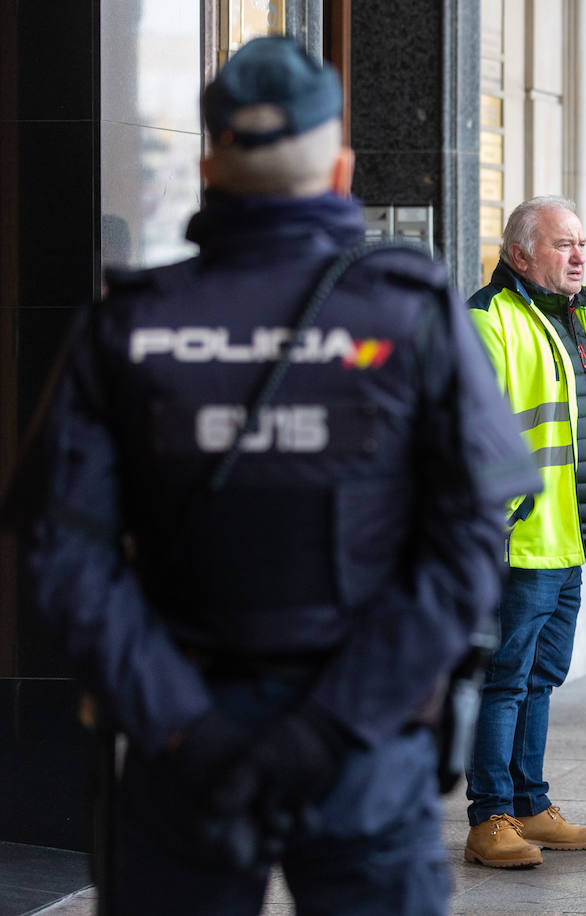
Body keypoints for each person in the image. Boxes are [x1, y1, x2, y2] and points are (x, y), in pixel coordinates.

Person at [16, 37, 538, 914]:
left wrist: (185, 726)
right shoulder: (411, 313)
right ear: (341, 167)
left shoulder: (132, 323)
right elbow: (474, 546)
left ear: (210, 166)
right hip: (363, 753)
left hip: (181, 757)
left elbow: (62, 557)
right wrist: (333, 726)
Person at [464, 196, 586, 867]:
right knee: (504, 679)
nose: (579, 255)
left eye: (582, 243)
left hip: (567, 538)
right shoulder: (488, 319)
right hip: (521, 540)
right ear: (520, 254)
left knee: (539, 677)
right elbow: (478, 437)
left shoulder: (571, 319)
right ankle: (490, 816)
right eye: (563, 244)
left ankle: (530, 804)